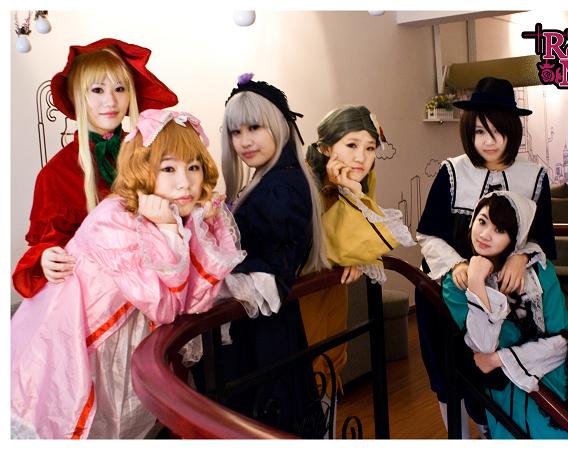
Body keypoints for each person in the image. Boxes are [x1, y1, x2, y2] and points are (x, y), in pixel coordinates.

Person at [11, 109, 246, 439]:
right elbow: (166, 307)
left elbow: (195, 300)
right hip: (66, 352)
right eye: (169, 168)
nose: (185, 182)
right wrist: (169, 230)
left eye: (193, 167)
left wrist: (202, 225)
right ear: (142, 169)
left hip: (112, 352)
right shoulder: (114, 219)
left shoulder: (171, 213)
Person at [415, 77, 557, 437]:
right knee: (446, 377)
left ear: (513, 131)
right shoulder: (452, 171)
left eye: (497, 131)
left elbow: (542, 240)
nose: (488, 141)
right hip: (445, 296)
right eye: (480, 131)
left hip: (501, 302)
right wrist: (458, 265)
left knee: (489, 375)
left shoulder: (534, 176)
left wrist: (519, 257)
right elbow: (428, 234)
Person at [205, 73, 330, 437]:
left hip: (266, 333)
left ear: (278, 125)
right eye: (236, 132)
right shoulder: (271, 178)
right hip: (267, 327)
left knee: (266, 422)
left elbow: (274, 268)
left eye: (255, 128)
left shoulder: (281, 187)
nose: (244, 141)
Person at [12, 38, 178, 299]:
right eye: (97, 90)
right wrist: (47, 258)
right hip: (98, 300)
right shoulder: (56, 174)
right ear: (76, 96)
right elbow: (46, 244)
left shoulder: (153, 153)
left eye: (120, 89)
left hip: (160, 287)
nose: (110, 101)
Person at [442, 190, 568, 438]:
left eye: (500, 230)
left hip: (558, 375)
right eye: (482, 221)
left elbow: (561, 341)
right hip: (508, 385)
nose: (485, 235)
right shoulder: (456, 283)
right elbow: (483, 345)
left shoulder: (538, 271)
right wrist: (477, 281)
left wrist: (498, 359)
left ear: (515, 237)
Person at [301, 105, 415, 405]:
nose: (361, 158)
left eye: (370, 148)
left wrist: (360, 256)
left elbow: (362, 238)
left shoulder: (360, 180)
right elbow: (326, 245)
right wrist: (352, 251)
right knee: (307, 377)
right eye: (351, 145)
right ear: (326, 147)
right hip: (301, 296)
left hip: (332, 293)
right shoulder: (305, 183)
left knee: (331, 364)